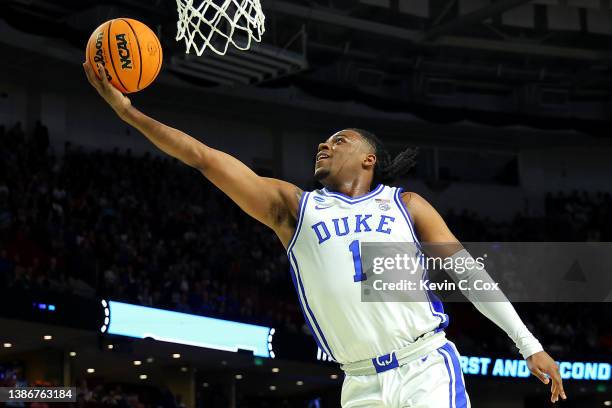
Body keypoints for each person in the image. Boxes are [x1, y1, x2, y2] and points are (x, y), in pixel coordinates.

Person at [83, 61, 566, 407]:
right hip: (358, 382)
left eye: (339, 140)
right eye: (325, 139)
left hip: (425, 365)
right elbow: (204, 157)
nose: (324, 143)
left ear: (368, 159)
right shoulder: (294, 207)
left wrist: (529, 345)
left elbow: (469, 276)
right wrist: (130, 115)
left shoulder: (406, 204)